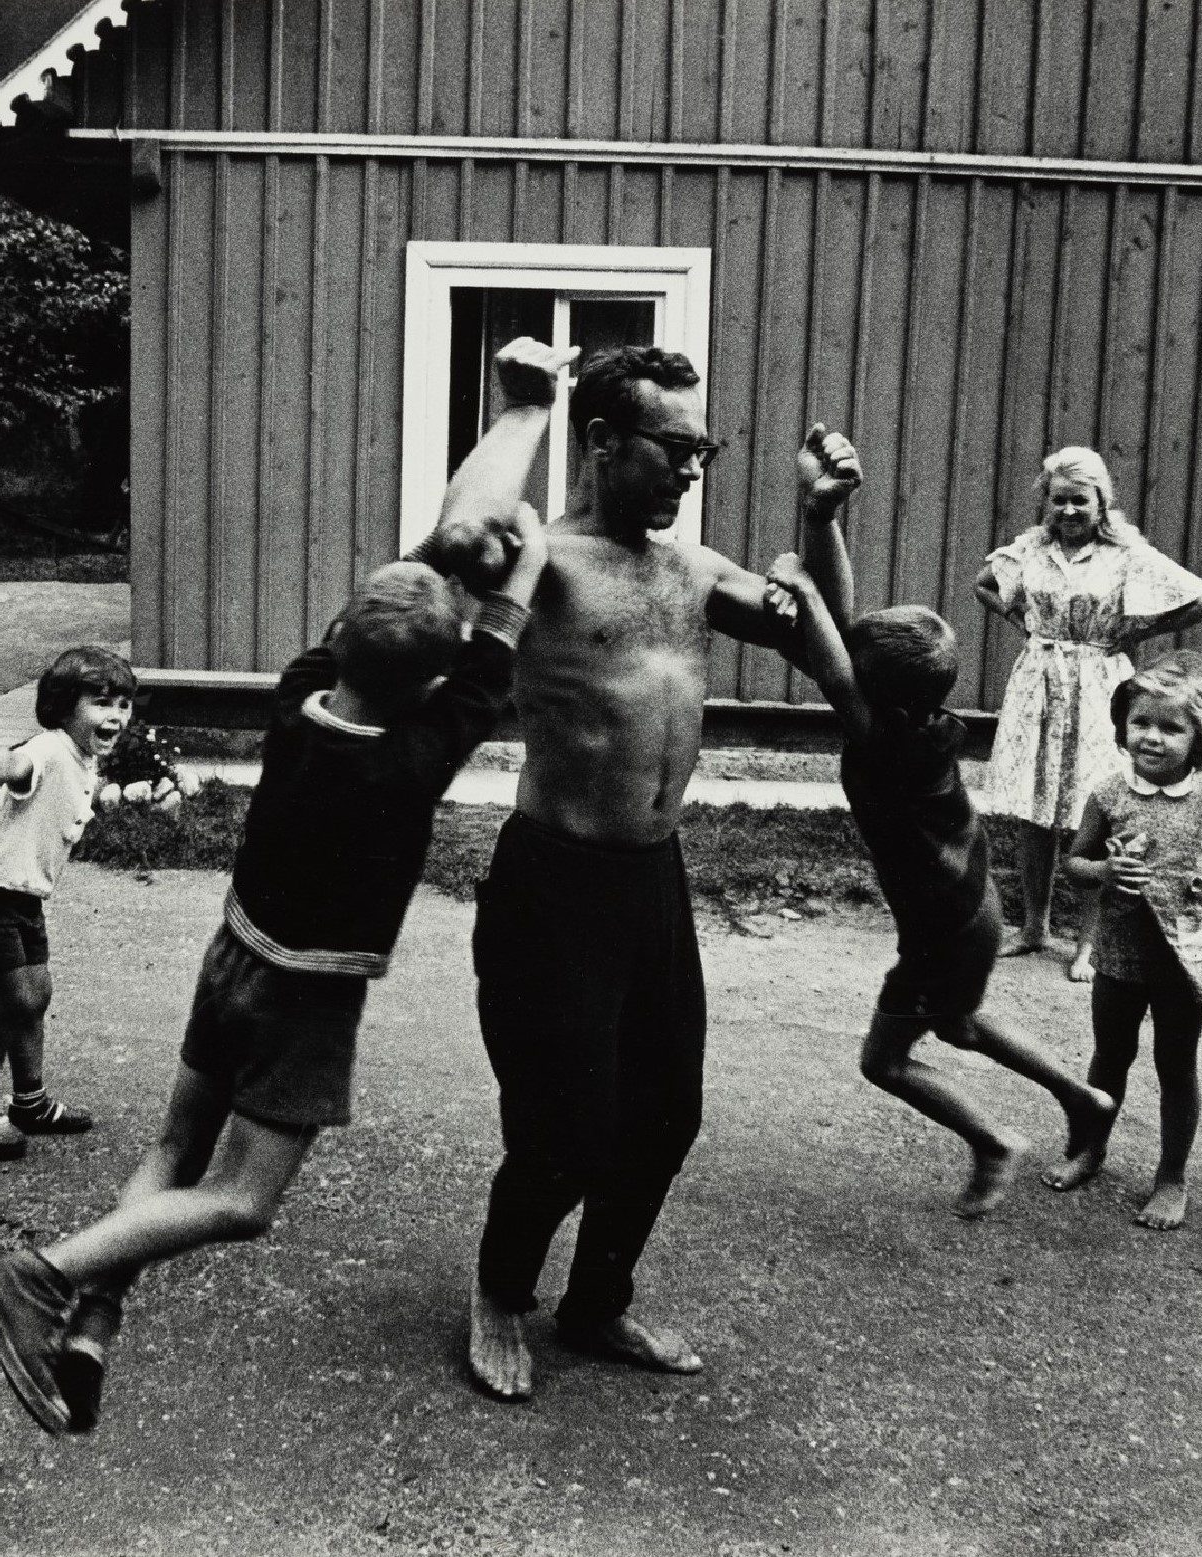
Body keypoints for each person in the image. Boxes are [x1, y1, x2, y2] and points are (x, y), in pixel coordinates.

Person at [0, 337, 572, 1435]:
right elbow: (496, 646)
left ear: (342, 639)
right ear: (429, 682)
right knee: (242, 1202)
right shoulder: (413, 757)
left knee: (173, 1151)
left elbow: (423, 603)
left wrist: (499, 461)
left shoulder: (298, 698)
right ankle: (43, 1274)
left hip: (232, 958)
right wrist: (523, 564)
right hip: (305, 998)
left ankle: (90, 1330)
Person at [456, 346, 850, 1403]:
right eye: (673, 447)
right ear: (601, 440)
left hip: (652, 880)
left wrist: (820, 520)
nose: (690, 468)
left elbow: (820, 634)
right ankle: (500, 1292)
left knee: (667, 1113)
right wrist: (518, 410)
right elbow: (458, 539)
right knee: (563, 1129)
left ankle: (596, 1302)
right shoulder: (545, 559)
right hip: (556, 881)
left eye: (701, 449)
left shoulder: (694, 570)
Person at [763, 469, 1114, 1218]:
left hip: (942, 931)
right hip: (971, 908)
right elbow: (841, 651)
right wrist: (821, 525)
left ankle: (993, 1141)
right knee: (959, 1022)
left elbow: (833, 663)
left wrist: (800, 582)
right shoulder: (924, 724)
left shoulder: (883, 740)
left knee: (885, 1061)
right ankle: (1081, 1096)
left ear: (876, 691)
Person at [975, 447, 1202, 981]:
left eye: (1080, 501)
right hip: (1038, 683)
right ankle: (1034, 926)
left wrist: (1138, 629)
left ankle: (1089, 940)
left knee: (1095, 807)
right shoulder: (1031, 550)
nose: (1068, 511)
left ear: (1101, 502)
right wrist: (1021, 619)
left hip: (1098, 682)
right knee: (1034, 811)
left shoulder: (1126, 555)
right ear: (1047, 502)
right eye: (1058, 500)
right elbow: (985, 585)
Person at [1040, 653, 1202, 1229]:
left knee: (1177, 1065)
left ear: (1198, 738)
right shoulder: (1109, 794)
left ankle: (1172, 1175)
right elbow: (1074, 863)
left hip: (1184, 959)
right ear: (1122, 728)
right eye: (1141, 723)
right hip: (1118, 954)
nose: (1152, 737)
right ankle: (1089, 1149)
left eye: (1171, 727)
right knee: (1110, 1055)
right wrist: (1103, 872)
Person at [0, 646, 136, 1160]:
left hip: (24, 899)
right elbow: (18, 763)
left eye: (123, 705)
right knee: (18, 1003)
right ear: (63, 707)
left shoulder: (83, 758)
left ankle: (29, 1102)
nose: (116, 715)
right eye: (101, 703)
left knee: (37, 995)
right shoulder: (50, 749)